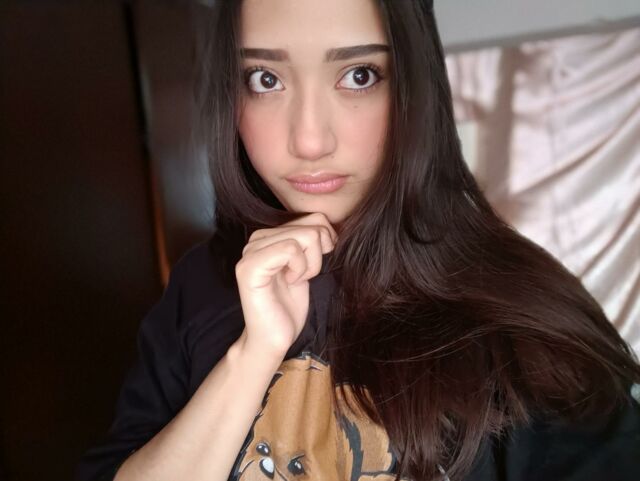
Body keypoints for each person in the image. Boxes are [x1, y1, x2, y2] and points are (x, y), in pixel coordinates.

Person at [76, 1, 640, 480]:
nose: (310, 140)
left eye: (360, 75)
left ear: (414, 88)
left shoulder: (519, 313)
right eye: (265, 79)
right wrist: (251, 357)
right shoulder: (201, 283)